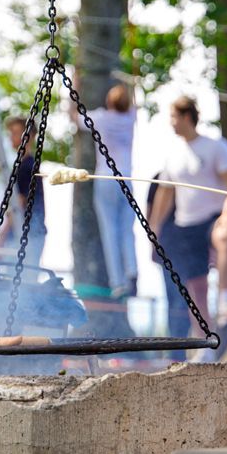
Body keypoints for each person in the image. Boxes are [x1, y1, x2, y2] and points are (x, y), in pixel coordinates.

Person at [149, 95, 227, 338]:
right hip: (185, 225)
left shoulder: (216, 146)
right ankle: (204, 341)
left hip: (213, 217)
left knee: (225, 237)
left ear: (187, 117)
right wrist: (154, 228)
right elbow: (165, 195)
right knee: (196, 288)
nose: (171, 123)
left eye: (173, 117)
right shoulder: (173, 154)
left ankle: (226, 297)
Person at [85, 83, 139, 298]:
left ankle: (117, 282)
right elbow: (134, 104)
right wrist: (133, 88)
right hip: (127, 177)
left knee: (110, 229)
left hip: (105, 177)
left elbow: (75, 117)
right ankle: (132, 271)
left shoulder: (101, 118)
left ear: (109, 102)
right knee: (127, 229)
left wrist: (76, 83)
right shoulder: (130, 119)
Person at [0, 116, 47, 254]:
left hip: (27, 235)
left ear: (28, 136)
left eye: (15, 132)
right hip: (27, 233)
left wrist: (1, 237)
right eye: (10, 133)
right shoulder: (25, 164)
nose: (10, 137)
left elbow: (18, 204)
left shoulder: (27, 167)